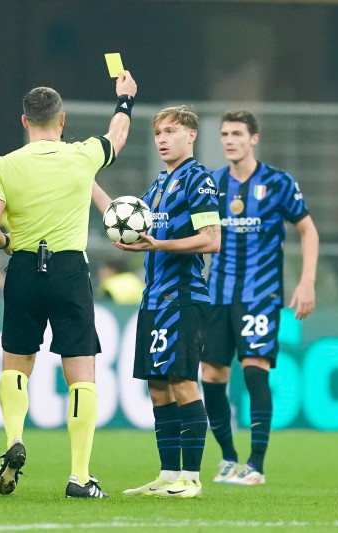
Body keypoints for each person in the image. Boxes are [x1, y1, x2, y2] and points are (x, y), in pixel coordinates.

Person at [0, 74, 137, 499]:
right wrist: (124, 99)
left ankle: (14, 438)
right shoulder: (83, 155)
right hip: (69, 270)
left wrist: (8, 243)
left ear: (24, 121)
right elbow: (117, 135)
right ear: (62, 119)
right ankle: (79, 476)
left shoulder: (5, 164)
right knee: (81, 374)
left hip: (24, 267)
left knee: (16, 365)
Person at [201, 110, 319, 485]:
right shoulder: (213, 183)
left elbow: (308, 231)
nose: (229, 140)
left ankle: (256, 465)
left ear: (254, 139)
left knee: (255, 368)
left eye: (237, 133)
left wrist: (307, 282)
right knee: (211, 374)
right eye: (224, 134)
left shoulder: (278, 182)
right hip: (217, 292)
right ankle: (228, 458)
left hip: (260, 293)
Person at [113, 105, 220, 499]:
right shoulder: (159, 183)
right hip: (154, 299)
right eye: (158, 133)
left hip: (184, 298)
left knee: (183, 382)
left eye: (171, 131)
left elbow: (211, 239)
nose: (162, 139)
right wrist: (88, 183)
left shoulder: (198, 179)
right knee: (158, 387)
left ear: (191, 136)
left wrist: (161, 244)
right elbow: (127, 218)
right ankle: (168, 473)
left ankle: (191, 478)